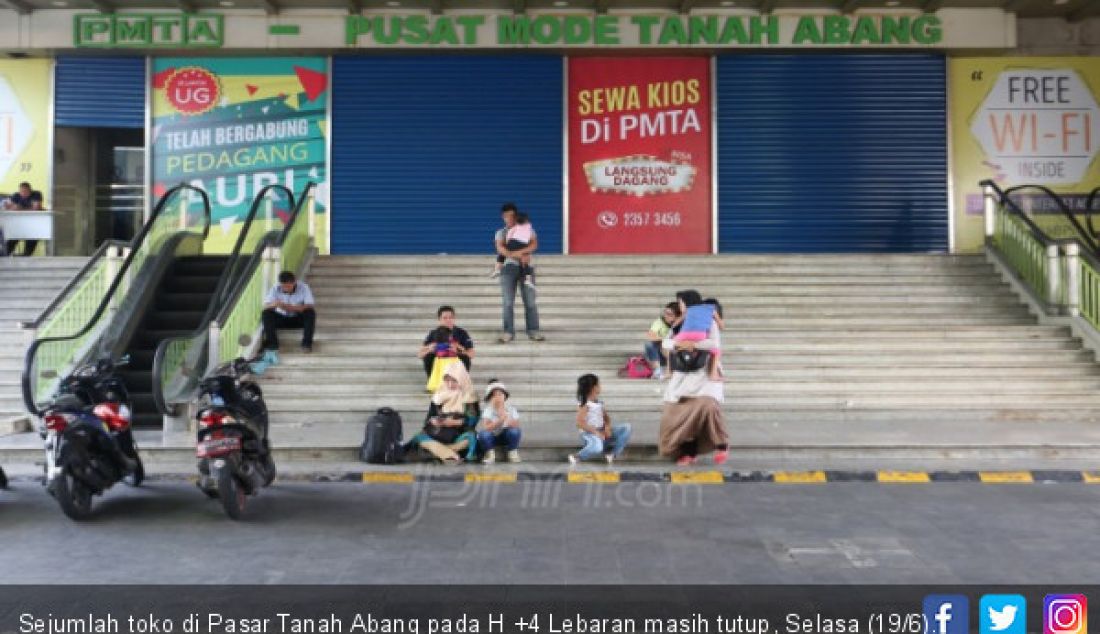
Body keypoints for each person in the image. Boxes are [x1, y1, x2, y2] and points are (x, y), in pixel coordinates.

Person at [659, 290, 730, 467]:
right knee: (677, 413)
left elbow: (714, 343)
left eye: (681, 302)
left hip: (703, 373)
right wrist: (675, 345)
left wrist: (693, 344)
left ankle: (721, 444)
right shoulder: (678, 324)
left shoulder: (707, 320)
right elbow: (666, 343)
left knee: (707, 407)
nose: (680, 306)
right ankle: (687, 451)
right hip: (682, 374)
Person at [406, 362, 480, 464]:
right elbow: (429, 419)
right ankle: (450, 454)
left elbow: (472, 422)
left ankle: (439, 452)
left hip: (458, 436)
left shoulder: (469, 396)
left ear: (462, 379)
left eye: (454, 381)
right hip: (438, 434)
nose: (450, 384)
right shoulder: (439, 396)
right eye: (447, 380)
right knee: (419, 437)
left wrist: (454, 422)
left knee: (471, 437)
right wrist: (434, 421)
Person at [496, 203, 543, 343]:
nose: (509, 218)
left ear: (516, 216)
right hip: (507, 270)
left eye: (512, 216)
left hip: (527, 268)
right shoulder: (501, 232)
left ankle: (533, 330)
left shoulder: (528, 229)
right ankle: (508, 332)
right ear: (502, 217)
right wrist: (519, 255)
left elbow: (534, 245)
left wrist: (517, 252)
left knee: (530, 302)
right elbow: (501, 249)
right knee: (508, 303)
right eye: (506, 216)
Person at [568, 373, 632, 465]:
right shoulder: (585, 405)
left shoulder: (599, 403)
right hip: (590, 434)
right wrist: (596, 433)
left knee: (626, 428)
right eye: (599, 384)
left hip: (602, 433)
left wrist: (607, 427)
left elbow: (606, 418)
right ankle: (578, 456)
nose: (600, 386)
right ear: (593, 388)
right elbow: (580, 423)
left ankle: (612, 454)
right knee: (597, 447)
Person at [261, 271, 316, 361]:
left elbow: (309, 305)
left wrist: (292, 308)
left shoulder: (304, 287)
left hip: (297, 318)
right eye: (283, 286)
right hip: (282, 318)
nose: (286, 288)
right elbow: (266, 306)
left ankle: (306, 344)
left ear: (294, 282)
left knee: (310, 313)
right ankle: (273, 345)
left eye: (288, 286)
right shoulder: (275, 288)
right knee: (266, 313)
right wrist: (275, 304)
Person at [417, 305, 475, 378]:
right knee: (428, 357)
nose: (448, 320)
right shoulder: (433, 333)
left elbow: (472, 354)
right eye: (445, 318)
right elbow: (420, 354)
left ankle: (460, 383)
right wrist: (430, 349)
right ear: (439, 319)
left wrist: (458, 350)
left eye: (451, 317)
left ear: (454, 318)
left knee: (465, 358)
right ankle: (433, 385)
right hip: (439, 362)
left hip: (455, 363)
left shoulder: (462, 333)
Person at [477, 379, 522, 464]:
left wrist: (506, 417)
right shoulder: (488, 410)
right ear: (490, 398)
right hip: (492, 437)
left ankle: (512, 452)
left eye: (500, 394)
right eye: (494, 395)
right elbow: (486, 427)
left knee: (515, 431)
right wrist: (500, 420)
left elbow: (516, 424)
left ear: (505, 396)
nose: (498, 397)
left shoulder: (510, 408)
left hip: (505, 436)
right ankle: (490, 454)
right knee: (483, 434)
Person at [490, 211, 536, 289]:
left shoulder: (515, 227)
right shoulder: (529, 227)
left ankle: (497, 269)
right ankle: (528, 279)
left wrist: (508, 243)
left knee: (502, 254)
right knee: (525, 262)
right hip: (523, 245)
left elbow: (510, 234)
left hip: (514, 242)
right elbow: (530, 238)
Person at [4, 182, 44, 256]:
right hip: (19, 225)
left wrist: (20, 208)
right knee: (12, 238)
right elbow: (9, 208)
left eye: (26, 191)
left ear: (30, 190)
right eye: (21, 191)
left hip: (34, 225)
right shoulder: (16, 195)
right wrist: (11, 207)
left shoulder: (36, 194)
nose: (23, 193)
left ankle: (25, 255)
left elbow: (36, 208)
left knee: (33, 237)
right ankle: (4, 255)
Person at [645, 302, 681, 380]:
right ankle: (658, 370)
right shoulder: (660, 322)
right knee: (649, 344)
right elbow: (650, 335)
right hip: (662, 353)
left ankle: (670, 370)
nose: (666, 316)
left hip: (676, 353)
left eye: (669, 314)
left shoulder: (682, 324)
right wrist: (663, 339)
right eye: (665, 312)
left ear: (677, 316)